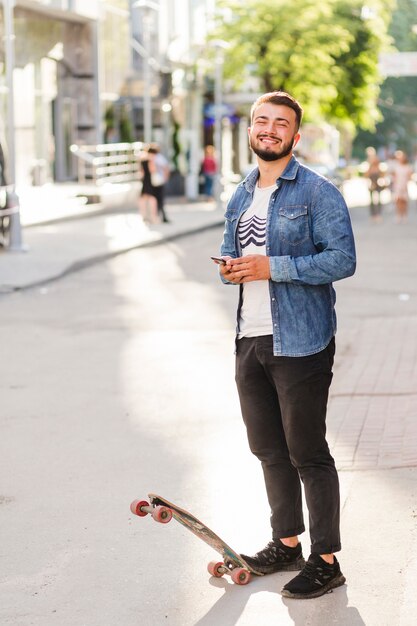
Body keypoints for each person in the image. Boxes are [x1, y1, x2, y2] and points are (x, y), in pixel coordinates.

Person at [213, 91, 356, 599]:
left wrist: (277, 266)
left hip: (301, 341)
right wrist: (232, 269)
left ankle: (326, 559)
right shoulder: (239, 193)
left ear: (295, 136)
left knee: (307, 452)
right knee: (268, 450)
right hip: (249, 337)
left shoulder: (318, 193)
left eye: (280, 124)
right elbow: (236, 255)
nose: (269, 129)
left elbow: (342, 259)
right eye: (261, 121)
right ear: (251, 129)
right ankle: (286, 543)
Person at [138, 144, 170, 223]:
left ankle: (144, 216)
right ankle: (153, 217)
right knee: (153, 199)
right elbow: (153, 170)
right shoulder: (152, 159)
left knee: (143, 198)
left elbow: (141, 171)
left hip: (144, 180)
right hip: (151, 181)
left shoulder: (143, 158)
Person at [391, 150, 413, 223]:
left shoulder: (407, 166)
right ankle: (398, 215)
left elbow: (410, 177)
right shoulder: (396, 166)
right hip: (397, 186)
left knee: (404, 201)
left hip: (404, 185)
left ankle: (404, 215)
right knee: (398, 201)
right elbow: (393, 177)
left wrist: (405, 183)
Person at [364, 147, 384, 222]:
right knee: (372, 200)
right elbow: (366, 175)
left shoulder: (377, 164)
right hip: (371, 184)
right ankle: (373, 215)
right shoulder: (368, 164)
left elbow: (382, 173)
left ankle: (378, 214)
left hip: (378, 183)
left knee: (378, 199)